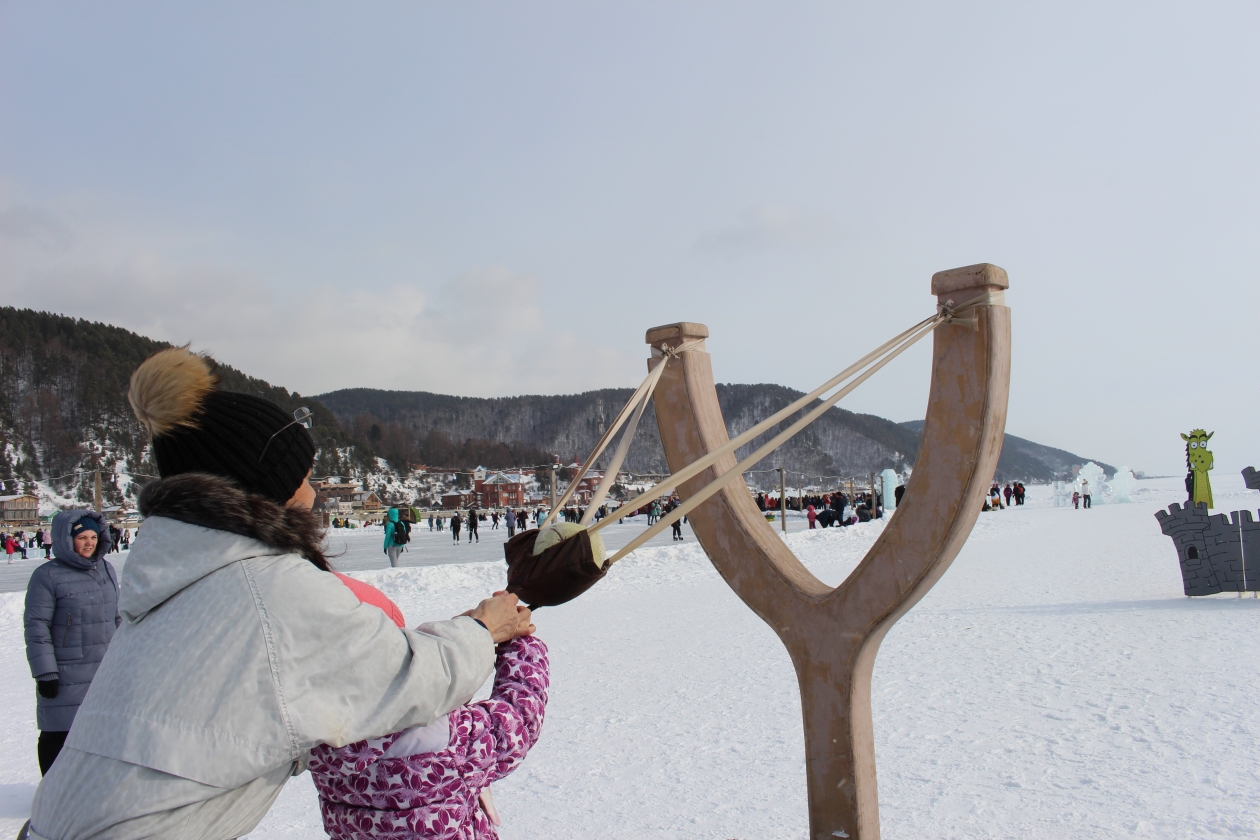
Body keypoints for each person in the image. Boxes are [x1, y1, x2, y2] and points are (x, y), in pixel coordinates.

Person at [26, 347, 528, 840]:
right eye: (303, 478)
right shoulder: (269, 591)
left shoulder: (177, 580)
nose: (312, 494)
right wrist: (486, 629)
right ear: (267, 488)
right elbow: (412, 679)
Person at [310, 573, 546, 839]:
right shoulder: (443, 737)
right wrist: (517, 641)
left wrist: (464, 637)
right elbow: (518, 716)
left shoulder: (318, 739)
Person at [24, 510, 119, 776]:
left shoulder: (106, 570)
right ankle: (51, 794)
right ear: (66, 540)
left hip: (103, 668)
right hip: (65, 671)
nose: (89, 543)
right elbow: (36, 627)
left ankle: (87, 790)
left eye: (93, 536)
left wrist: (126, 658)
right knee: (57, 731)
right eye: (82, 537)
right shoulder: (47, 576)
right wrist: (45, 672)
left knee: (100, 731)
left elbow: (117, 618)